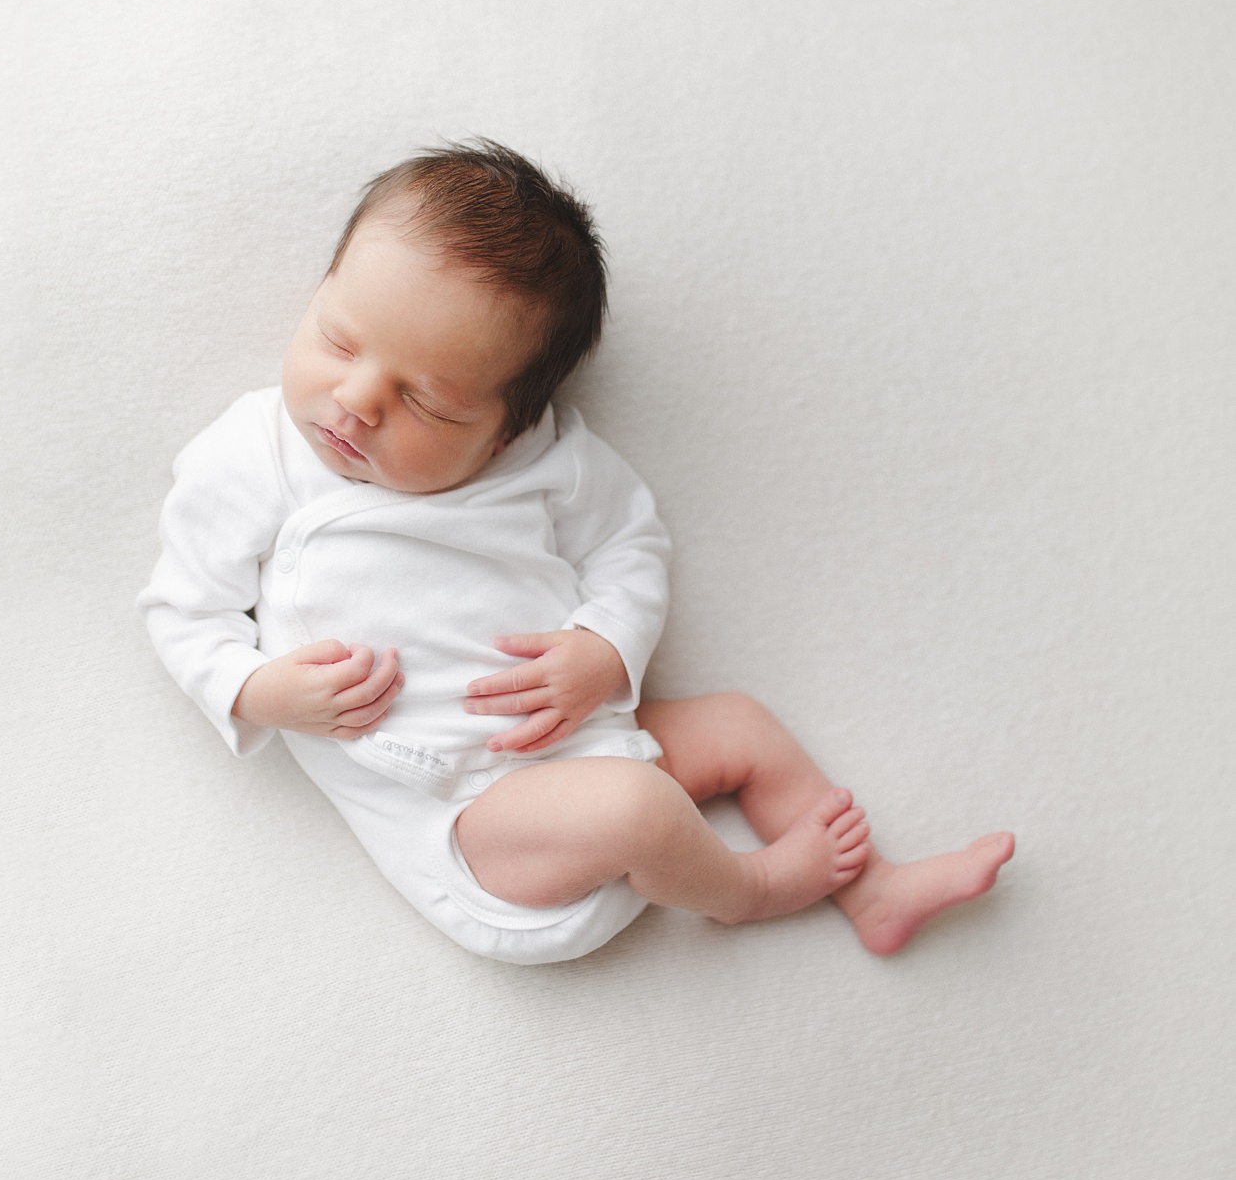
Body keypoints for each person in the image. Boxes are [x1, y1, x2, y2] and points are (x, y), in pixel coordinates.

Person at [138, 140, 1014, 965]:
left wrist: (606, 651)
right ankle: (748, 888)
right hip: (469, 819)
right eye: (337, 337)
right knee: (634, 807)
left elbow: (631, 548)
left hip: (592, 743)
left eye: (430, 404)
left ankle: (875, 892)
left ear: (511, 424)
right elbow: (184, 610)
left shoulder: (548, 463)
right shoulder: (252, 456)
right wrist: (262, 691)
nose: (357, 399)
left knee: (739, 725)